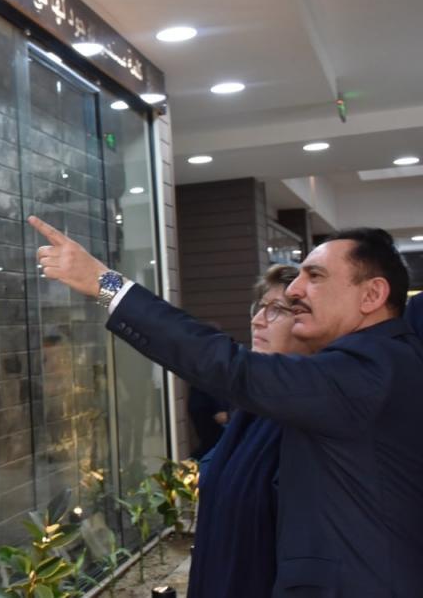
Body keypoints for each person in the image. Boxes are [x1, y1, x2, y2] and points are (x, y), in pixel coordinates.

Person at [29, 216, 423, 597]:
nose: (294, 290)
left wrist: (105, 283)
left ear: (372, 295)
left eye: (315, 276)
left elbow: (227, 365)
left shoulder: (376, 367)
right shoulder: (355, 372)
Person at [189, 265, 313, 598]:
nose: (257, 320)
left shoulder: (307, 420)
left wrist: (104, 285)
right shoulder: (255, 406)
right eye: (259, 307)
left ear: (311, 323)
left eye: (276, 310)